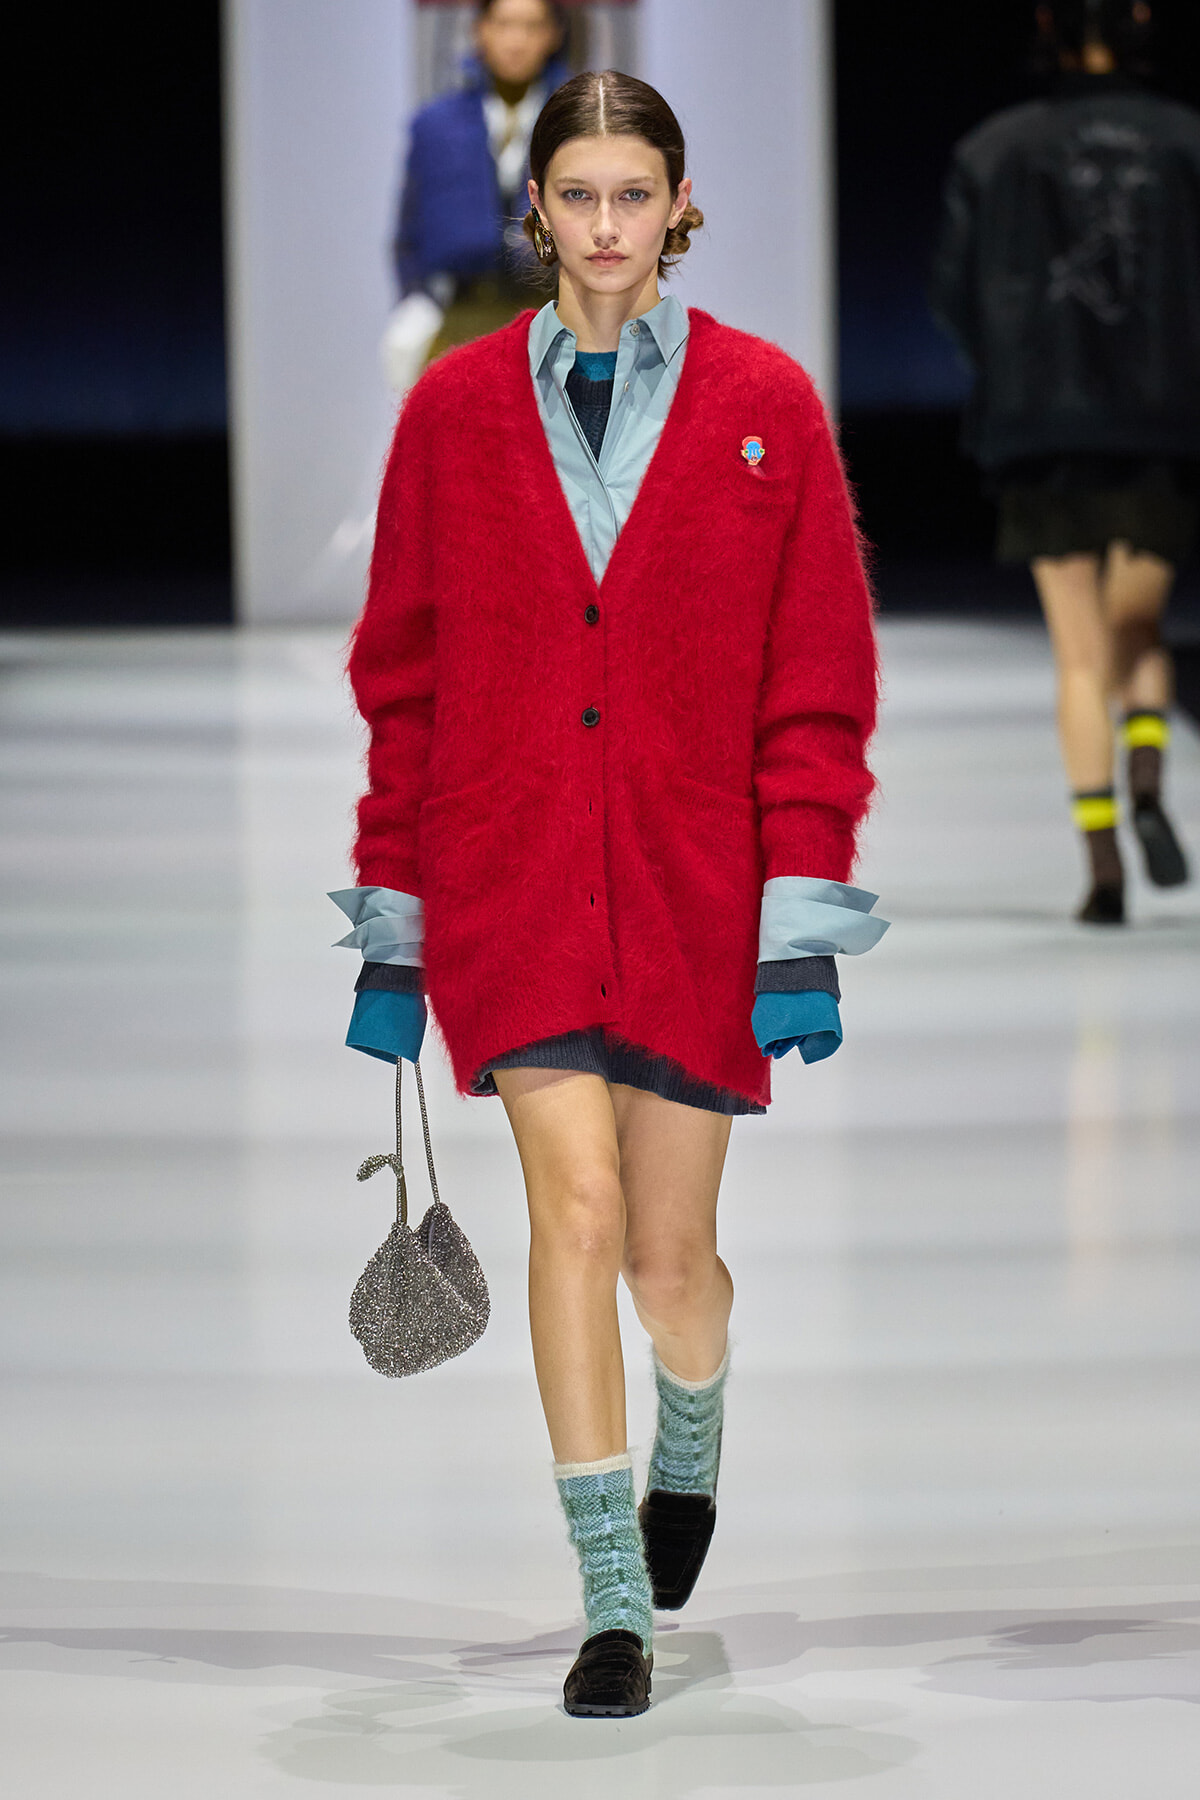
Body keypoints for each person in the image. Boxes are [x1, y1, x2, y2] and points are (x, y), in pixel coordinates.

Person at [333, 70, 887, 1718]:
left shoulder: (769, 407)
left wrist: (802, 913)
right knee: (570, 1213)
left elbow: (819, 683)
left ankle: (693, 1429)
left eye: (631, 197)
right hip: (509, 877)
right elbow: (404, 682)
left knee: (668, 1261)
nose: (602, 229)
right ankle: (611, 1599)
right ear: (538, 213)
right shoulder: (449, 414)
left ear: (679, 207)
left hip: (697, 887)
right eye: (575, 198)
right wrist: (394, 923)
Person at [931, 0, 1196, 923]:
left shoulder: (993, 150)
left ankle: (1103, 868)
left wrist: (1015, 374)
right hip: (1165, 424)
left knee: (1080, 656)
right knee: (1140, 629)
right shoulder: (1186, 143)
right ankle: (1151, 779)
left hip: (1041, 427)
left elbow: (954, 294)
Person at [381, 0, 570, 393]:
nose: (516, 41)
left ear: (553, 35)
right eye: (503, 24)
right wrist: (414, 303)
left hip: (552, 313)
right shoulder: (436, 126)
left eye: (532, 27)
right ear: (480, 30)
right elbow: (409, 233)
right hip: (460, 312)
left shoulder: (574, 124)